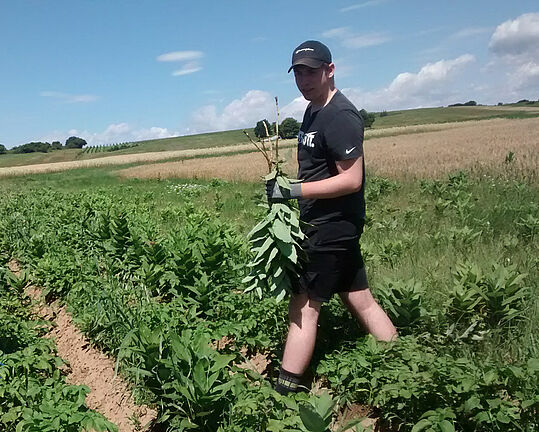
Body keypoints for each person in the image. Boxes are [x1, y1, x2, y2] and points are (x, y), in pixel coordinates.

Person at [266, 40, 397, 395]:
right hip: (325, 223)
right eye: (298, 73)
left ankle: (284, 393)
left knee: (304, 309)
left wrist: (294, 192)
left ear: (330, 69)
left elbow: (351, 179)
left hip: (331, 226)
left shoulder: (339, 115)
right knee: (359, 298)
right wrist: (291, 185)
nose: (304, 80)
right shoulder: (312, 111)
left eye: (311, 71)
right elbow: (317, 170)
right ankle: (401, 362)